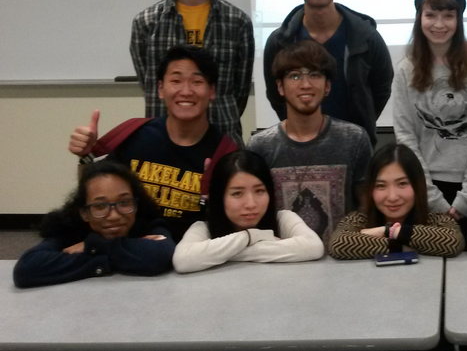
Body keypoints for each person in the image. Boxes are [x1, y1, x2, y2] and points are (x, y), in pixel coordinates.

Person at [69, 45, 238, 241]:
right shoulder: (134, 134)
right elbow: (94, 197)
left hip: (187, 253)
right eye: (176, 80)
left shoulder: (225, 153)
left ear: (211, 91)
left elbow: (228, 225)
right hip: (126, 242)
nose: (186, 91)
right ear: (160, 89)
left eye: (197, 81)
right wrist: (86, 156)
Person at [391, 0, 467, 242]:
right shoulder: (406, 69)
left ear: (458, 19)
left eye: (448, 16)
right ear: (419, 18)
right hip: (425, 190)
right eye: (430, 15)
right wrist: (433, 199)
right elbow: (406, 140)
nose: (439, 25)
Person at [131, 0, 254, 145]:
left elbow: (240, 91)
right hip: (162, 139)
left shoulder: (238, 22)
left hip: (222, 134)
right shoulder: (147, 23)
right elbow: (150, 83)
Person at [263, 0, 393, 145]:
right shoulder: (280, 42)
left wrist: (361, 124)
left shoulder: (366, 36)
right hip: (299, 143)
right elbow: (275, 93)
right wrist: (299, 124)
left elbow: (382, 87)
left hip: (354, 145)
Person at [248, 40, 372, 245]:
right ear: (280, 86)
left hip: (340, 260)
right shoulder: (260, 146)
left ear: (327, 86)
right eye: (295, 76)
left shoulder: (354, 139)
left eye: (314, 75)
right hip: (284, 260)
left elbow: (366, 209)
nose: (305, 84)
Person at [14, 160, 174, 288]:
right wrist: (113, 258)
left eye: (124, 202)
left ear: (136, 205)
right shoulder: (70, 229)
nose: (113, 216)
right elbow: (26, 269)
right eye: (99, 206)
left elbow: (160, 255)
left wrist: (92, 246)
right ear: (84, 213)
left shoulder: (148, 223)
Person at [172, 150, 324, 273]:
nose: (251, 204)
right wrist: (252, 236)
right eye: (237, 193)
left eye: (259, 191)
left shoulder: (283, 218)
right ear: (219, 197)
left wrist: (224, 253)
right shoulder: (203, 228)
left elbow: (313, 247)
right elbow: (183, 260)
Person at [329, 143, 464, 259]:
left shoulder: (435, 219)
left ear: (418, 185)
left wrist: (390, 232)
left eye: (402, 184)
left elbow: (453, 242)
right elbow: (338, 244)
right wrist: (405, 243)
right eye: (381, 186)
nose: (392, 197)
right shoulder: (359, 220)